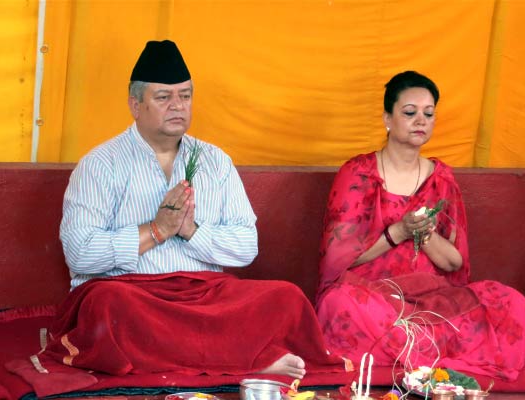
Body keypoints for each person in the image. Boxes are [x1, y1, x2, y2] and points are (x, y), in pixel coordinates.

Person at [38, 40, 343, 379]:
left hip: (206, 295)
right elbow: (80, 255)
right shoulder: (99, 165)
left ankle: (211, 358)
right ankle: (249, 360)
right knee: (107, 306)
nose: (177, 106)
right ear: (134, 104)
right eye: (163, 97)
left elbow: (246, 247)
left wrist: (189, 231)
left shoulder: (216, 161)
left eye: (185, 96)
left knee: (286, 296)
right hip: (135, 295)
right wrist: (156, 230)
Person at [315, 71, 525, 381]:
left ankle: (414, 350)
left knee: (513, 304)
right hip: (372, 295)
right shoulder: (358, 173)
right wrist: (398, 233)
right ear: (387, 118)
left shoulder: (440, 178)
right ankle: (431, 352)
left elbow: (455, 262)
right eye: (410, 112)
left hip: (429, 298)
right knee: (341, 305)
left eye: (428, 114)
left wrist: (424, 234)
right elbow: (338, 260)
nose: (421, 120)